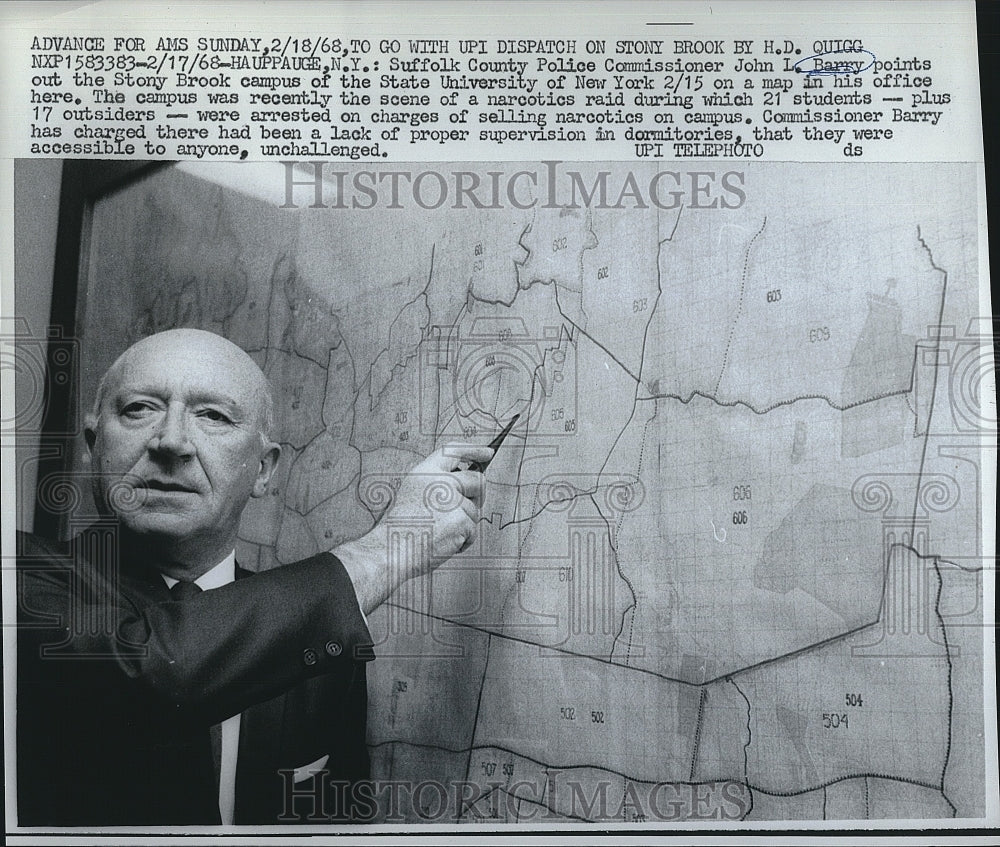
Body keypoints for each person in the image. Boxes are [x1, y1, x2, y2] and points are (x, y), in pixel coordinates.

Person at [16, 328, 493, 826]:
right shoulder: (17, 578)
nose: (171, 441)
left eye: (213, 416)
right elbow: (154, 669)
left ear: (264, 471)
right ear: (93, 445)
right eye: (139, 408)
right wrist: (391, 548)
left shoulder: (323, 649)